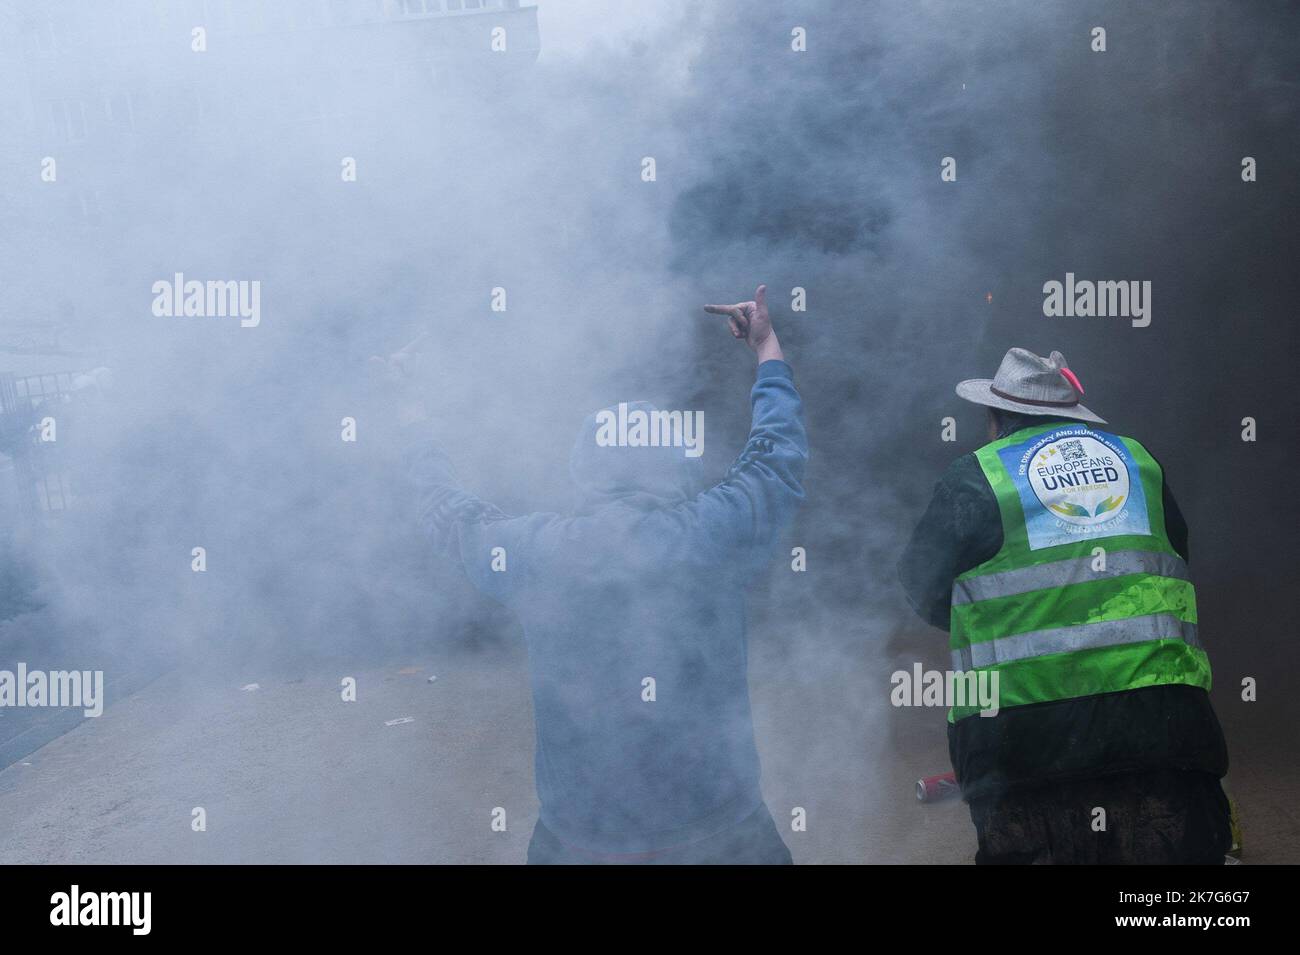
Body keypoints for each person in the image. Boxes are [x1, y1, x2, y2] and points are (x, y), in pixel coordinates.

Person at [379, 284, 807, 863]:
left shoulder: (533, 553)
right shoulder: (715, 532)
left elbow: (443, 507)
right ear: (677, 461)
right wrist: (766, 347)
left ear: (585, 468)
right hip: (722, 832)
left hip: (582, 840)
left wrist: (411, 411)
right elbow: (776, 454)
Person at [898, 347, 1230, 864]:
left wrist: (1003, 621)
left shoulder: (975, 477)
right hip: (1163, 726)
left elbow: (920, 586)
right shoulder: (1140, 462)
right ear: (1070, 415)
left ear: (996, 418)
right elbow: (1171, 564)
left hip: (1018, 740)